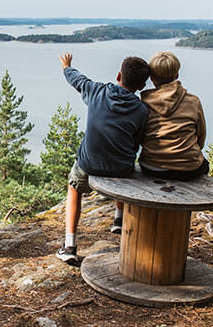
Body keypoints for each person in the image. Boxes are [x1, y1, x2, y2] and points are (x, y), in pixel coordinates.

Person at [55, 52, 150, 265]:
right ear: (141, 86)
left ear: (119, 75)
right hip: (122, 168)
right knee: (120, 157)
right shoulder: (141, 110)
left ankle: (69, 245)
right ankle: (118, 218)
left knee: (74, 187)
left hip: (90, 165)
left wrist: (66, 66)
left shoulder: (97, 91)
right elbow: (137, 142)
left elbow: (76, 79)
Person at [139, 51, 209, 180]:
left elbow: (139, 135)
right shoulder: (193, 101)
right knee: (205, 165)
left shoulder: (144, 102)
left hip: (151, 166)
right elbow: (201, 136)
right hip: (188, 168)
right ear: (177, 74)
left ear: (152, 77)